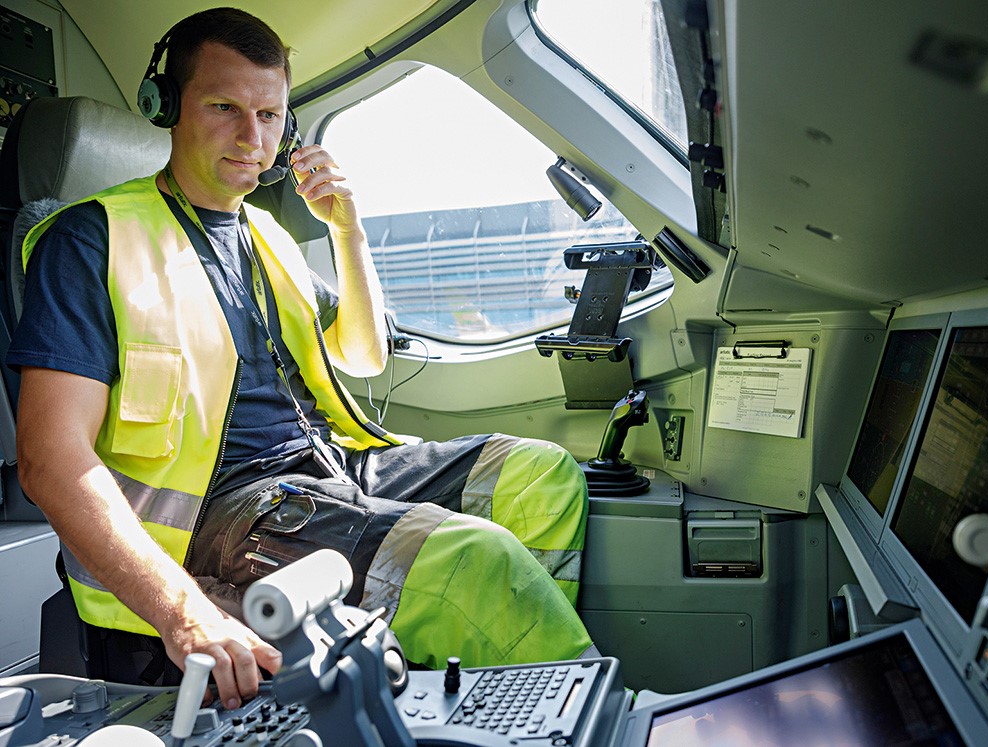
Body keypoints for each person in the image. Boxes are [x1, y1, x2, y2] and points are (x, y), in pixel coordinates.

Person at [8, 7, 594, 710]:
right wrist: (182, 609)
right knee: (477, 559)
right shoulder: (88, 241)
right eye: (224, 107)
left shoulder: (268, 237)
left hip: (327, 464)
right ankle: (553, 713)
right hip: (220, 514)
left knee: (542, 476)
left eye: (269, 115)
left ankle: (502, 701)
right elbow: (50, 460)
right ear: (166, 106)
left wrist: (347, 232)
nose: (252, 139)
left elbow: (366, 354)